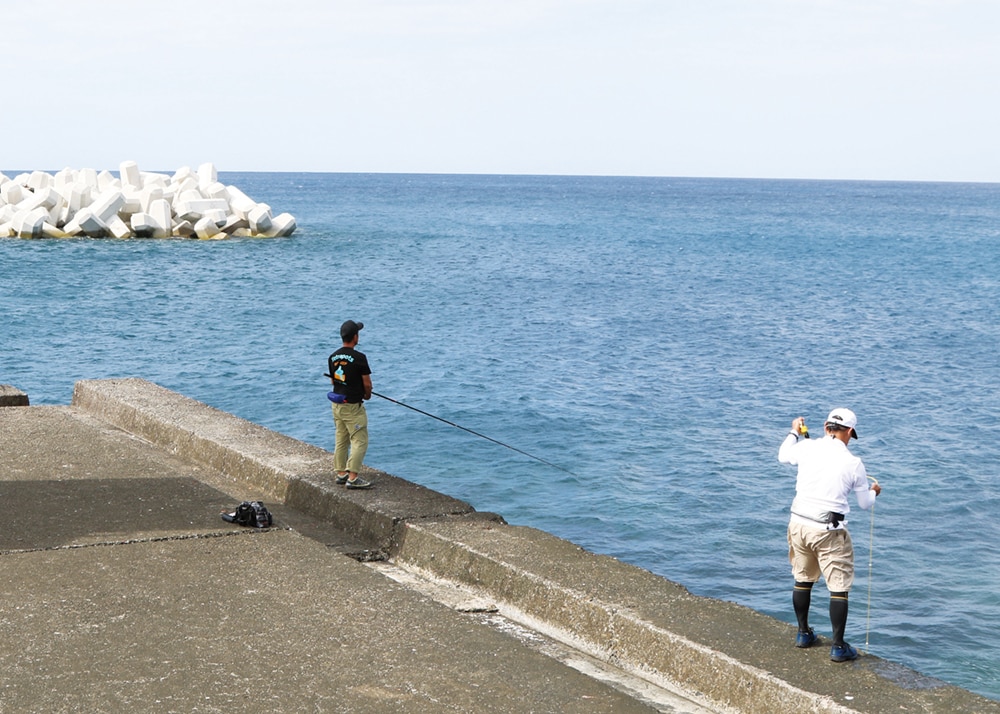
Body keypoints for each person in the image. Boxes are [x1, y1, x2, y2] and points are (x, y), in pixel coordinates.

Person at [778, 408, 881, 662]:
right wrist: (875, 490)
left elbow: (783, 456)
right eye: (850, 434)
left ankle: (803, 634)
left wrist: (794, 431)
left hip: (799, 524)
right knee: (838, 587)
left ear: (826, 427)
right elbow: (865, 503)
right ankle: (838, 647)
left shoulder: (807, 446)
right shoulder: (854, 463)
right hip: (828, 530)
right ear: (848, 431)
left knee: (802, 578)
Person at [328, 320, 373, 489]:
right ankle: (353, 477)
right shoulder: (360, 358)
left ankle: (341, 473)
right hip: (353, 406)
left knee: (341, 438)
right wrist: (367, 395)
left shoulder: (333, 356)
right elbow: (367, 384)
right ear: (355, 337)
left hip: (337, 404)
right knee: (360, 440)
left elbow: (334, 380)